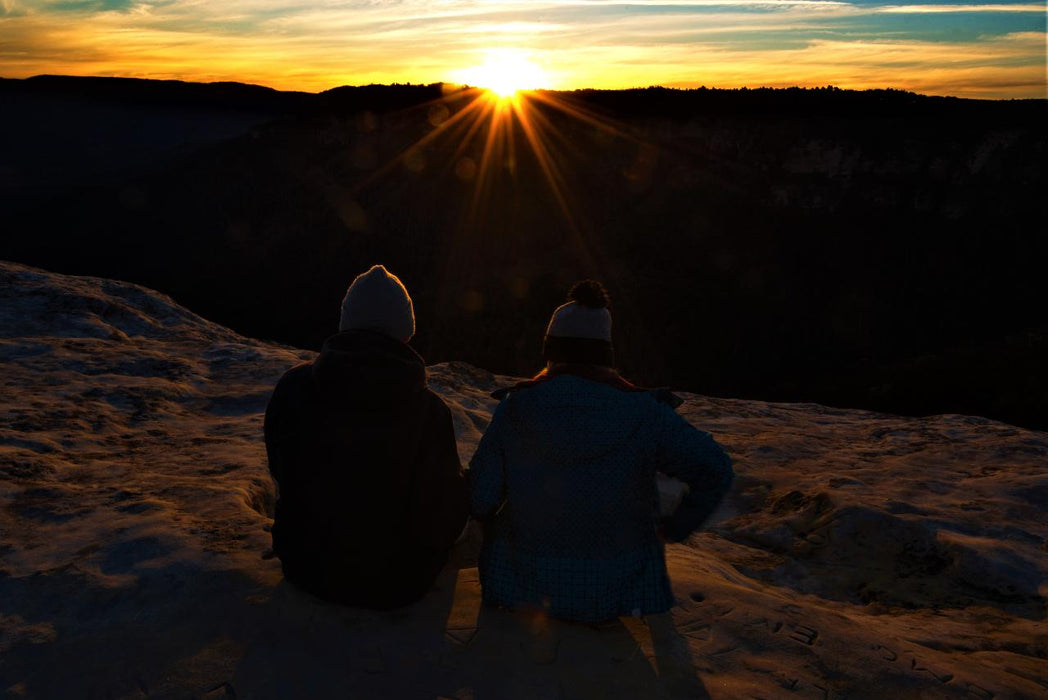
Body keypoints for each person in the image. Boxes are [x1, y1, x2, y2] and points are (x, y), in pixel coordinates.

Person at [469, 280, 733, 623]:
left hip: (522, 586)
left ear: (551, 350)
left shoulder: (516, 408)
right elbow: (715, 469)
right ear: (605, 354)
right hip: (618, 591)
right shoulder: (645, 413)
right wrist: (677, 527)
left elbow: (480, 496)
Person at [264, 264, 469, 609]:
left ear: (347, 323)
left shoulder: (293, 388)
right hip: (399, 582)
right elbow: (442, 508)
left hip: (305, 567)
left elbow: (282, 471)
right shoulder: (429, 411)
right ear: (406, 333)